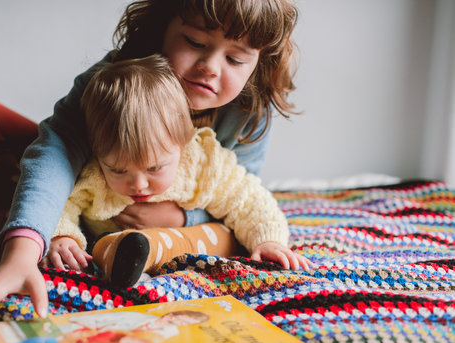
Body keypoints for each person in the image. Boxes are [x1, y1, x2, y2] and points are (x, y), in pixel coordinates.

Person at [0, 0, 301, 328]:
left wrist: (180, 217)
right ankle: (46, 235)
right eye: (195, 42)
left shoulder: (248, 114)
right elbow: (57, 154)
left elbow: (243, 198)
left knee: (238, 233)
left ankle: (128, 249)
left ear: (259, 63)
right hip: (91, 195)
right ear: (163, 27)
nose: (210, 67)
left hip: (185, 217)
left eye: (236, 60)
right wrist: (23, 250)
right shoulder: (113, 79)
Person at [46, 55, 310, 287]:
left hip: (178, 236)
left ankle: (143, 251)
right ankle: (115, 254)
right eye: (117, 170)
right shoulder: (93, 173)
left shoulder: (202, 164)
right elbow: (59, 202)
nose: (138, 184)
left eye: (154, 168)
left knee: (222, 236)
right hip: (104, 239)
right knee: (103, 244)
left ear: (183, 143)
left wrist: (269, 242)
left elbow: (249, 201)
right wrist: (62, 236)